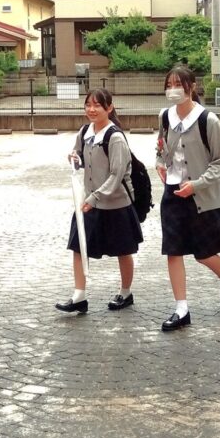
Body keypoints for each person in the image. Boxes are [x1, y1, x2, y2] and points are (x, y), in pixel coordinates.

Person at [155, 66, 220, 331]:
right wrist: (159, 162)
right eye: (169, 84)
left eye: (178, 84)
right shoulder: (165, 117)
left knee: (203, 253)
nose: (173, 89)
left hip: (199, 194)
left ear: (192, 86)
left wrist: (197, 184)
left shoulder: (207, 120)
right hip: (172, 192)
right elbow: (161, 146)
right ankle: (182, 308)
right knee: (173, 250)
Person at [56, 89, 144, 314]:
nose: (91, 110)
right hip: (88, 201)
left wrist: (95, 197)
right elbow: (78, 154)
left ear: (109, 108)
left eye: (97, 105)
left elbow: (116, 175)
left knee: (123, 250)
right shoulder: (85, 131)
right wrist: (74, 157)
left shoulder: (114, 137)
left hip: (115, 203)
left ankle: (125, 293)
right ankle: (79, 296)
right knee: (78, 246)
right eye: (88, 105)